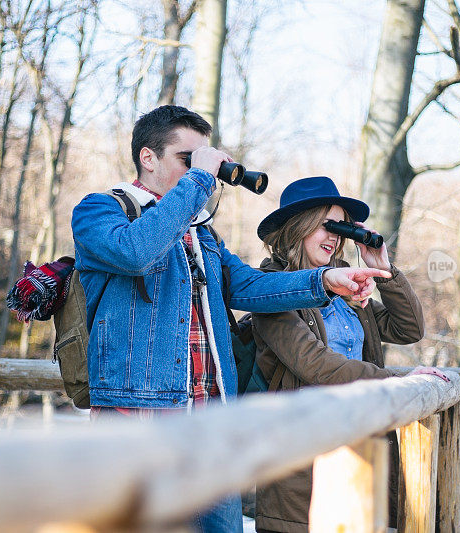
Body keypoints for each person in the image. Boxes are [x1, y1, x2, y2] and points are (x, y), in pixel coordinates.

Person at [70, 106, 390, 533]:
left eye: (206, 161)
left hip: (212, 418)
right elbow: (135, 253)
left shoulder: (201, 234)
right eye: (189, 159)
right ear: (148, 158)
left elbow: (251, 288)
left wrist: (327, 278)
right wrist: (200, 180)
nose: (201, 171)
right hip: (139, 413)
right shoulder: (100, 211)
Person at [251, 176, 449, 533]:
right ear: (297, 227)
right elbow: (320, 367)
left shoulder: (346, 296)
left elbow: (409, 329)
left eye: (340, 228)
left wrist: (382, 269)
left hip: (359, 461)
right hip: (300, 473)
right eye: (324, 226)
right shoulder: (270, 294)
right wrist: (401, 381)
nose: (333, 237)